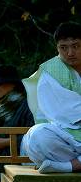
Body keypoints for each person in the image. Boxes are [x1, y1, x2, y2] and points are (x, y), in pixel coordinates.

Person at [22, 22, 81, 173]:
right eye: (64, 47)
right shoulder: (50, 71)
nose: (70, 53)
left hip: (67, 154)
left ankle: (68, 166)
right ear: (57, 48)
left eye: (75, 46)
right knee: (37, 136)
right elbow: (62, 113)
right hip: (65, 138)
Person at [0, 65, 34, 182]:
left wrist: (5, 142)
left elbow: (34, 136)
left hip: (19, 170)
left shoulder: (26, 105)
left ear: (13, 84)